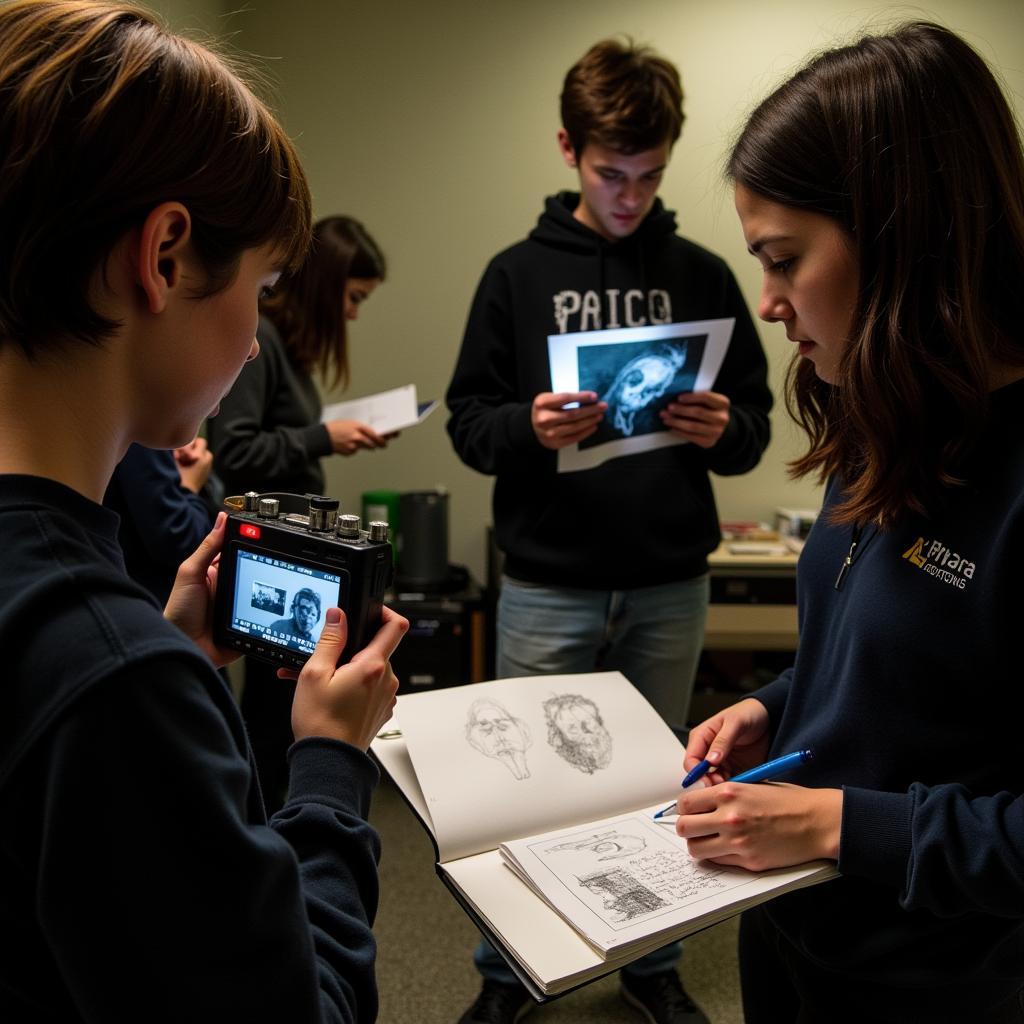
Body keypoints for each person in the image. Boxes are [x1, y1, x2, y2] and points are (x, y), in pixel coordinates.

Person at [0, 4, 408, 1021]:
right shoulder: (112, 682)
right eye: (266, 286)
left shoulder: (101, 650)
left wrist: (162, 646)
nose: (260, 331)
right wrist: (326, 763)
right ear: (167, 255)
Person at [672, 21, 1024, 1023]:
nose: (769, 303)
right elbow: (887, 656)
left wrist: (836, 824)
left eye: (784, 259)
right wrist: (774, 707)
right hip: (789, 923)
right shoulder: (882, 403)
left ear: (906, 238)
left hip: (931, 975)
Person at [445, 36, 773, 1024]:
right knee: (524, 791)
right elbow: (468, 421)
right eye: (609, 173)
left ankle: (652, 962)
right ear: (567, 149)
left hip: (668, 575)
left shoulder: (704, 273)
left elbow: (751, 426)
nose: (629, 196)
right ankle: (507, 975)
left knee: (665, 777)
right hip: (549, 576)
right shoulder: (515, 274)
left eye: (649, 176)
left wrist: (723, 431)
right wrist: (528, 428)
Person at [207, 214, 391, 812]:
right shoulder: (263, 345)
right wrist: (321, 437)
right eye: (354, 298)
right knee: (269, 716)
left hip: (293, 552)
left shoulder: (292, 350)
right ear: (324, 285)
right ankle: (262, 825)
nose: (355, 314)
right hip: (271, 553)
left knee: (279, 709)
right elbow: (235, 449)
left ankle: (273, 821)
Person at [103, 439, 216, 605]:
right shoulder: (142, 436)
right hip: (146, 602)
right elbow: (180, 540)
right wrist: (189, 488)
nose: (214, 412)